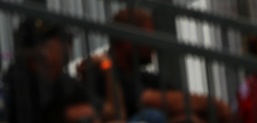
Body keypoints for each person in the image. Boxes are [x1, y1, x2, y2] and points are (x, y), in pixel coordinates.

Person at [82, 7, 231, 123]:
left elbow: (178, 99)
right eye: (148, 38)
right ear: (128, 41)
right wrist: (214, 105)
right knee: (155, 116)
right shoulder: (105, 72)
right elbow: (153, 100)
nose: (153, 46)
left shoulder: (144, 77)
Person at [2, 18, 83, 123]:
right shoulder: (20, 85)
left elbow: (103, 108)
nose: (69, 47)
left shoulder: (61, 80)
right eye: (65, 40)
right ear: (44, 50)